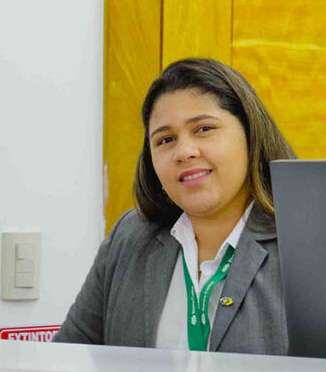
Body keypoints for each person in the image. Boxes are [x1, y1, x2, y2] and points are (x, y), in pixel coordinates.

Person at [58, 57, 297, 354]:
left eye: (204, 129)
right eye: (166, 139)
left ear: (250, 134)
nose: (183, 152)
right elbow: (69, 357)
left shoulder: (306, 245)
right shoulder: (129, 238)